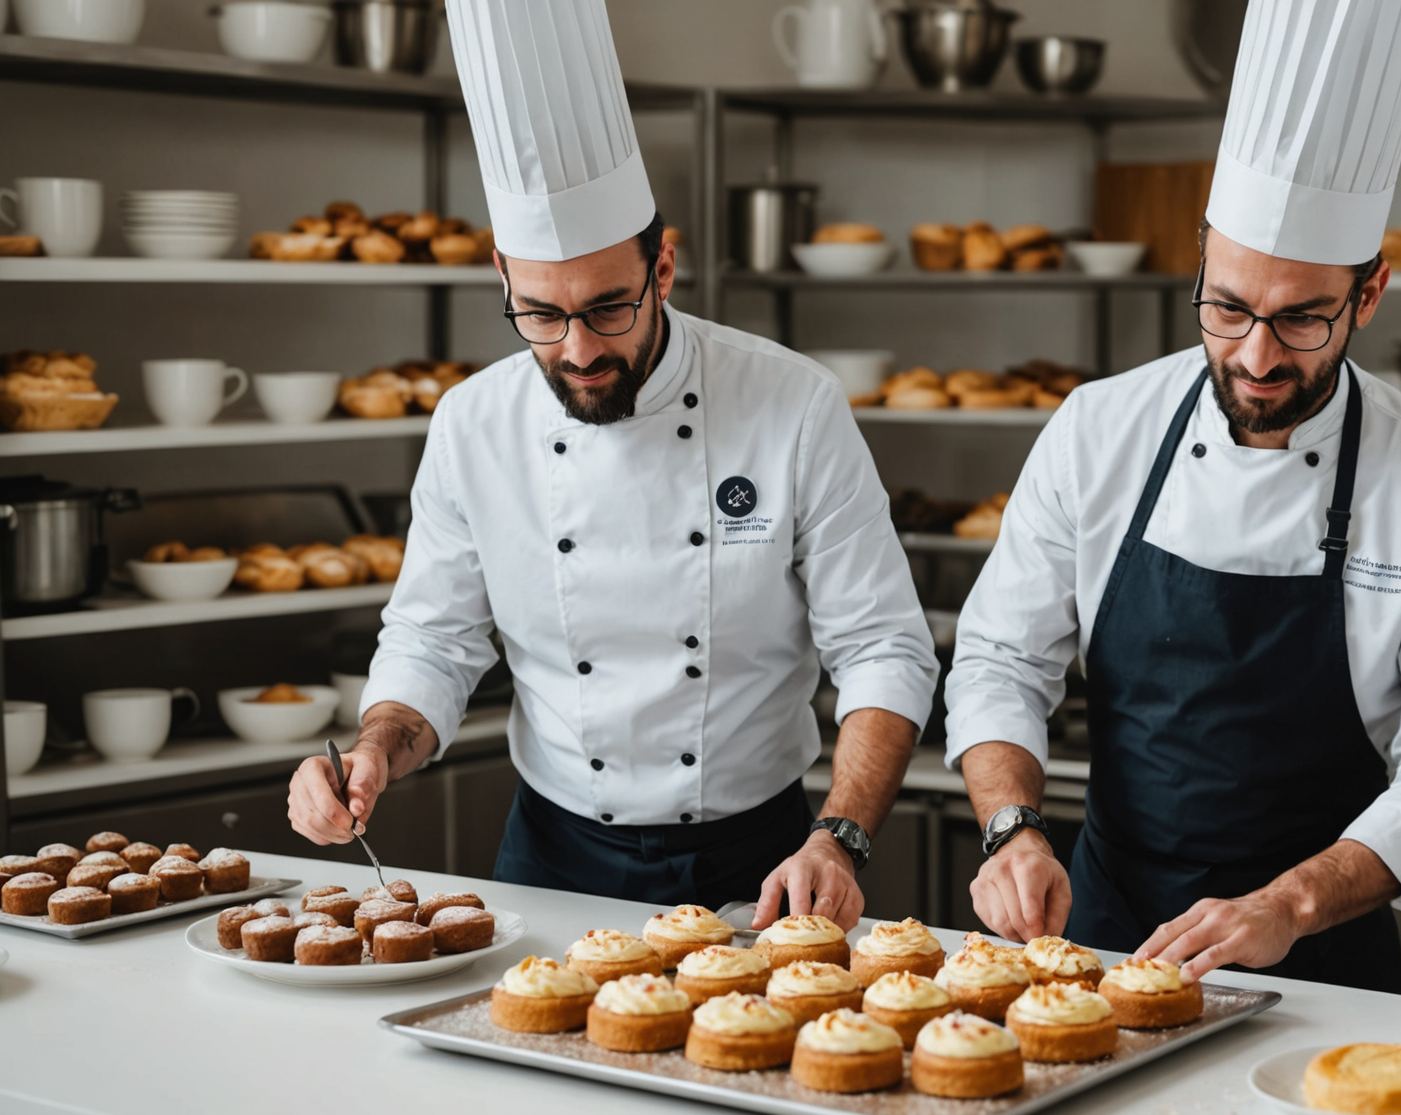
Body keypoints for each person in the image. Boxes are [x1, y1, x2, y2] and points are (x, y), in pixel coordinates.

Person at [284, 0, 939, 931]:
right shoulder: (473, 423)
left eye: (608, 308)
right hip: (549, 861)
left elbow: (882, 649)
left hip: (767, 861)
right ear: (503, 283)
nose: (579, 348)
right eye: (541, 315)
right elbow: (434, 639)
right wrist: (376, 750)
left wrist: (841, 837)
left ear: (663, 269)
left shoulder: (791, 403)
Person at [944, 0, 1401, 988]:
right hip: (1101, 937)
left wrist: (1288, 905)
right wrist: (1012, 829)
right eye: (1228, 307)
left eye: (1302, 320)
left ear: (1368, 297)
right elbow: (1002, 657)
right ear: (1200, 265)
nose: (1256, 356)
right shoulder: (1101, 429)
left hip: (1322, 959)